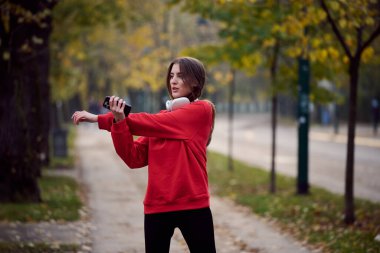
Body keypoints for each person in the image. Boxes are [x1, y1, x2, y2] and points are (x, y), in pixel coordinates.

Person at [72, 56, 216, 253]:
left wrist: (99, 118)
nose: (173, 80)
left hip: (193, 205)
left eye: (180, 76)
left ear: (196, 82)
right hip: (157, 206)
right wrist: (119, 122)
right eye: (171, 75)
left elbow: (151, 123)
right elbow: (133, 157)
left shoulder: (202, 110)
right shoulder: (161, 121)